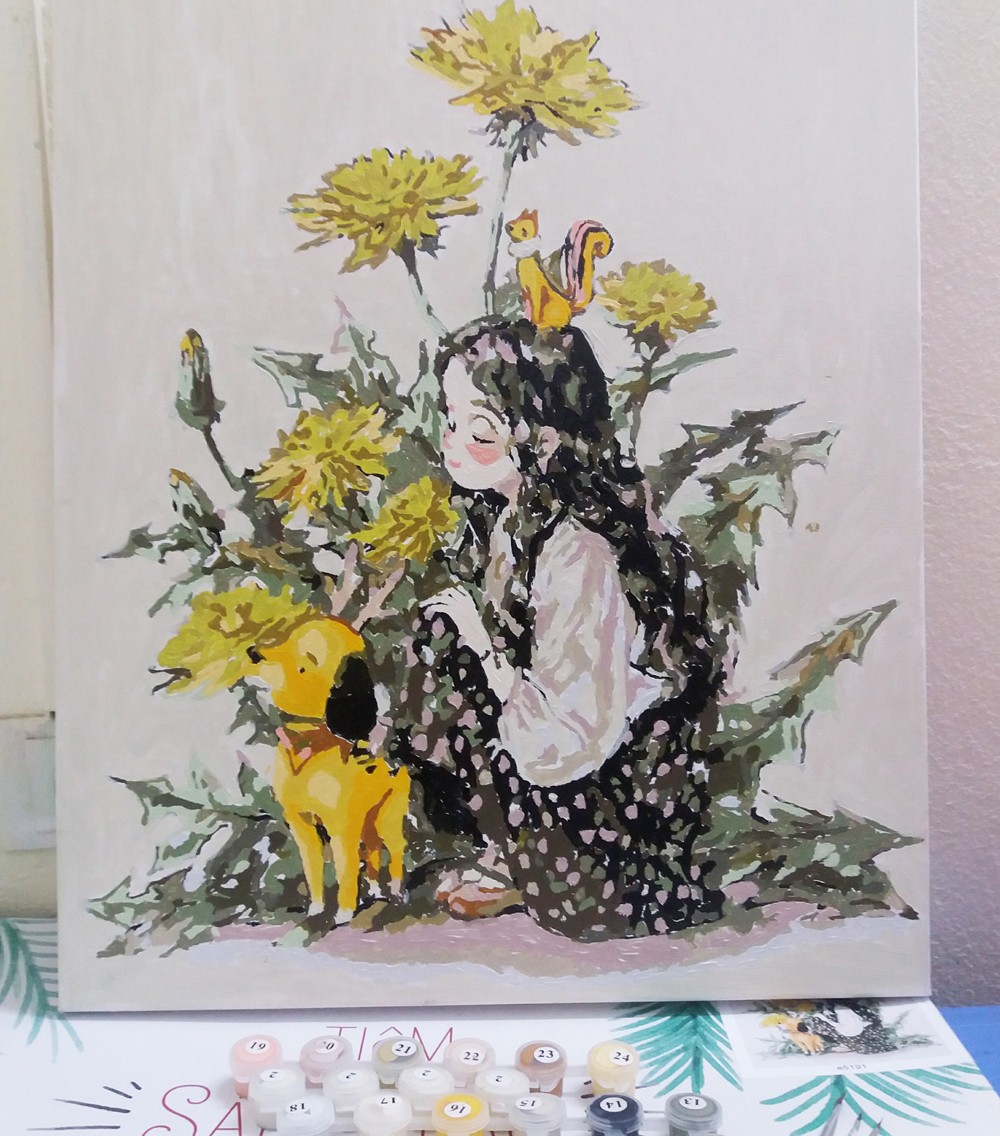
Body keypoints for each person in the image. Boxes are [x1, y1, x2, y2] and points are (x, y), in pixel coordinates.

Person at [401, 317, 724, 941]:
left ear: (542, 436)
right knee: (438, 638)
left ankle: (530, 864)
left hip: (611, 819)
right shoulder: (510, 521)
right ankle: (508, 853)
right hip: (562, 769)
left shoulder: (578, 551)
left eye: (480, 429)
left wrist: (486, 651)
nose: (453, 443)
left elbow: (572, 736)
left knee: (453, 646)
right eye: (451, 419)